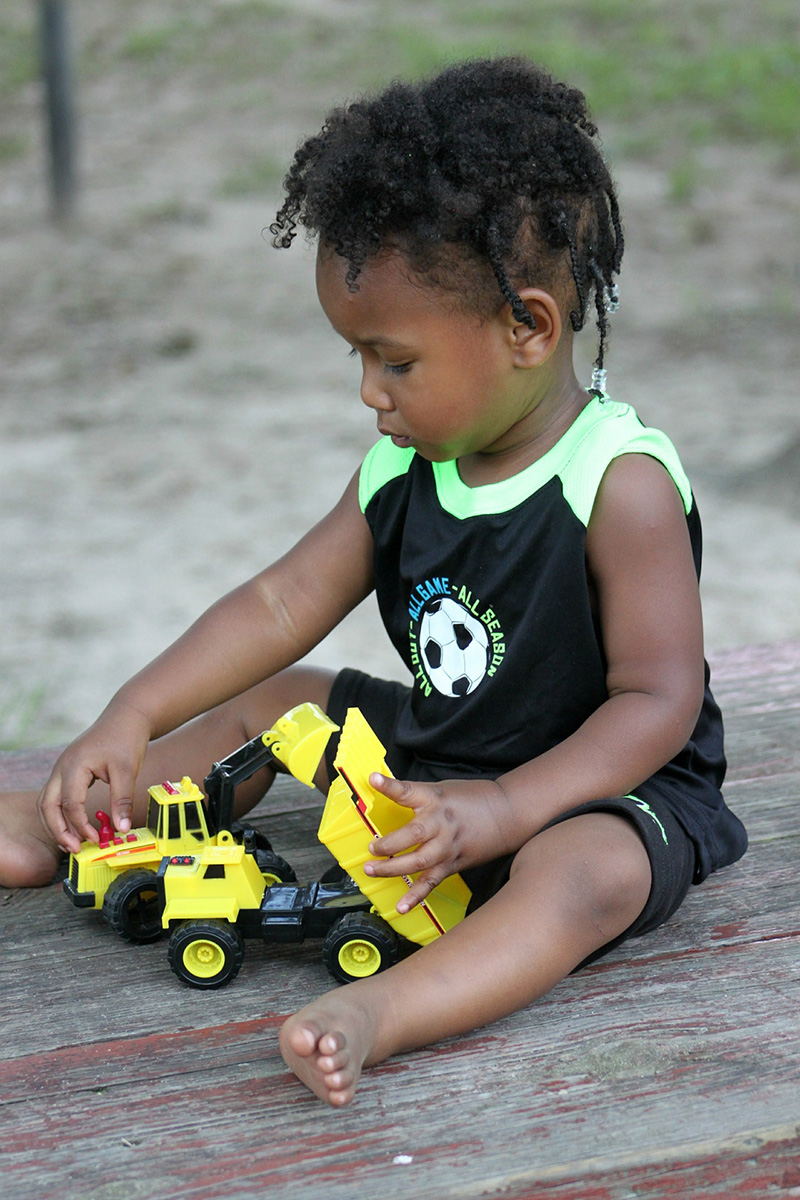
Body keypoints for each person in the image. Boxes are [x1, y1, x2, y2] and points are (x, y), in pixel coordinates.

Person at [0, 57, 746, 1107]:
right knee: (277, 701)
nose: (368, 393)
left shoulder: (615, 485)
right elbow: (280, 604)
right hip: (441, 753)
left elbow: (656, 702)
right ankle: (67, 824)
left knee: (589, 876)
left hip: (600, 783)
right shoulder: (407, 466)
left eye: (393, 362)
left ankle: (382, 1011)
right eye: (357, 359)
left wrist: (504, 809)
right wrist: (132, 712)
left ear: (526, 328)